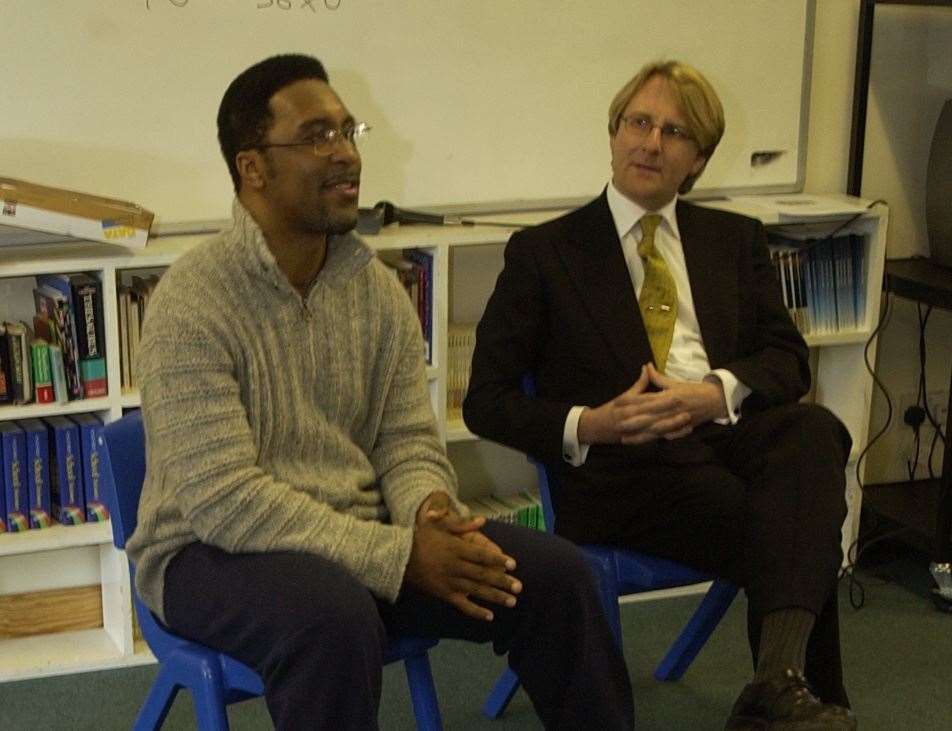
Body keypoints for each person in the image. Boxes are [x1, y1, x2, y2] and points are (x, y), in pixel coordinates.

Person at [126, 54, 634, 730]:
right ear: (252, 168)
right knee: (332, 618)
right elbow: (224, 500)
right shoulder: (190, 302)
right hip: (207, 553)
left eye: (347, 131)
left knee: (553, 576)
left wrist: (429, 514)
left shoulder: (378, 290)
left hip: (360, 537)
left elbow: (405, 439)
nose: (345, 155)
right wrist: (400, 554)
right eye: (316, 136)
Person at [464, 60, 858, 731]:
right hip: (626, 469)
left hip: (723, 438)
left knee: (814, 431)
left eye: (673, 132)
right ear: (614, 133)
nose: (650, 142)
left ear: (697, 158)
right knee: (797, 520)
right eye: (638, 123)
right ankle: (795, 695)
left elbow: (787, 359)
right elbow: (486, 400)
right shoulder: (544, 252)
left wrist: (713, 393)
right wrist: (593, 422)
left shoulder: (733, 239)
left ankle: (774, 683)